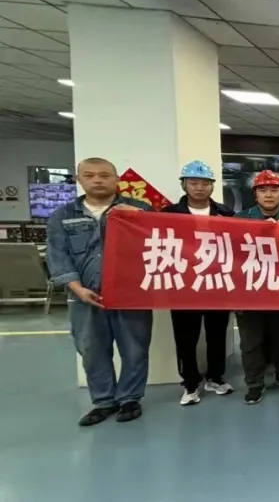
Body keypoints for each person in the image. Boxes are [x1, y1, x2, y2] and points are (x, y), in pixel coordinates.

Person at [46, 157, 152, 425]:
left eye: (104, 175)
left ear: (117, 180)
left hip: (131, 295)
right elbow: (58, 255)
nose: (97, 180)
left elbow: (161, 243)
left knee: (135, 349)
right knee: (92, 350)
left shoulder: (140, 209)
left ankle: (130, 398)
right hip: (84, 295)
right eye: (90, 175)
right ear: (79, 179)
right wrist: (77, 288)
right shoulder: (63, 215)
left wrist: (142, 220)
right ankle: (103, 401)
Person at [162, 160, 235, 406]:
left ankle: (216, 377)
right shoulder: (168, 214)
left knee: (217, 335)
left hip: (217, 283)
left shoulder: (225, 213)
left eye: (205, 183)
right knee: (186, 337)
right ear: (184, 185)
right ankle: (190, 383)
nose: (200, 188)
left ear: (212, 186)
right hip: (183, 286)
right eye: (194, 183)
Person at [234, 169, 279, 404]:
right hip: (250, 290)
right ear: (255, 194)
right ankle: (255, 384)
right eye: (263, 190)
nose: (269, 195)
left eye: (274, 190)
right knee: (251, 342)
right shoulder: (239, 220)